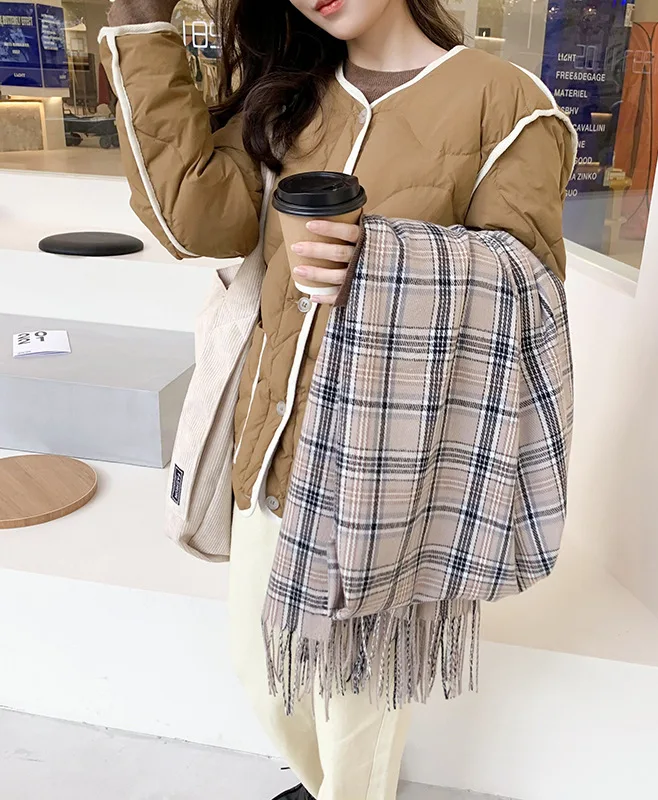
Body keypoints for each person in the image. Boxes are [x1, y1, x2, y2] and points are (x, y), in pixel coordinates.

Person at [98, 0, 575, 795]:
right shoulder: (293, 96)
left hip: (386, 475)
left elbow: (530, 298)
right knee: (261, 672)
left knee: (355, 709)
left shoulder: (507, 102)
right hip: (274, 448)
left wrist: (377, 259)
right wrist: (143, 27)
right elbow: (192, 221)